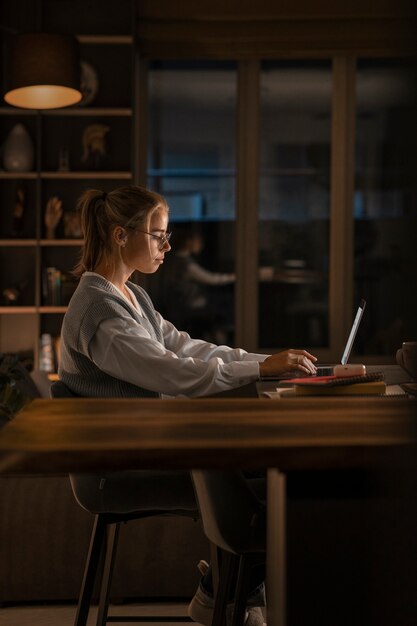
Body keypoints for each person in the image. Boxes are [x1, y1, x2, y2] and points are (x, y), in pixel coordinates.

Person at [59, 185, 317, 625]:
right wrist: (261, 370)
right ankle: (229, 597)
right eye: (158, 235)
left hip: (149, 447)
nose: (168, 245)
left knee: (274, 470)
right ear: (121, 236)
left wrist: (266, 363)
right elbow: (173, 373)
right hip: (122, 466)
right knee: (275, 483)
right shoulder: (98, 312)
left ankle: (225, 593)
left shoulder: (131, 296)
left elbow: (188, 348)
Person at [150, 224, 235, 342]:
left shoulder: (173, 260)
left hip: (178, 305)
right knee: (224, 304)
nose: (200, 244)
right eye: (198, 241)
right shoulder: (185, 264)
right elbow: (211, 279)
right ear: (189, 242)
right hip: (188, 305)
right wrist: (235, 277)